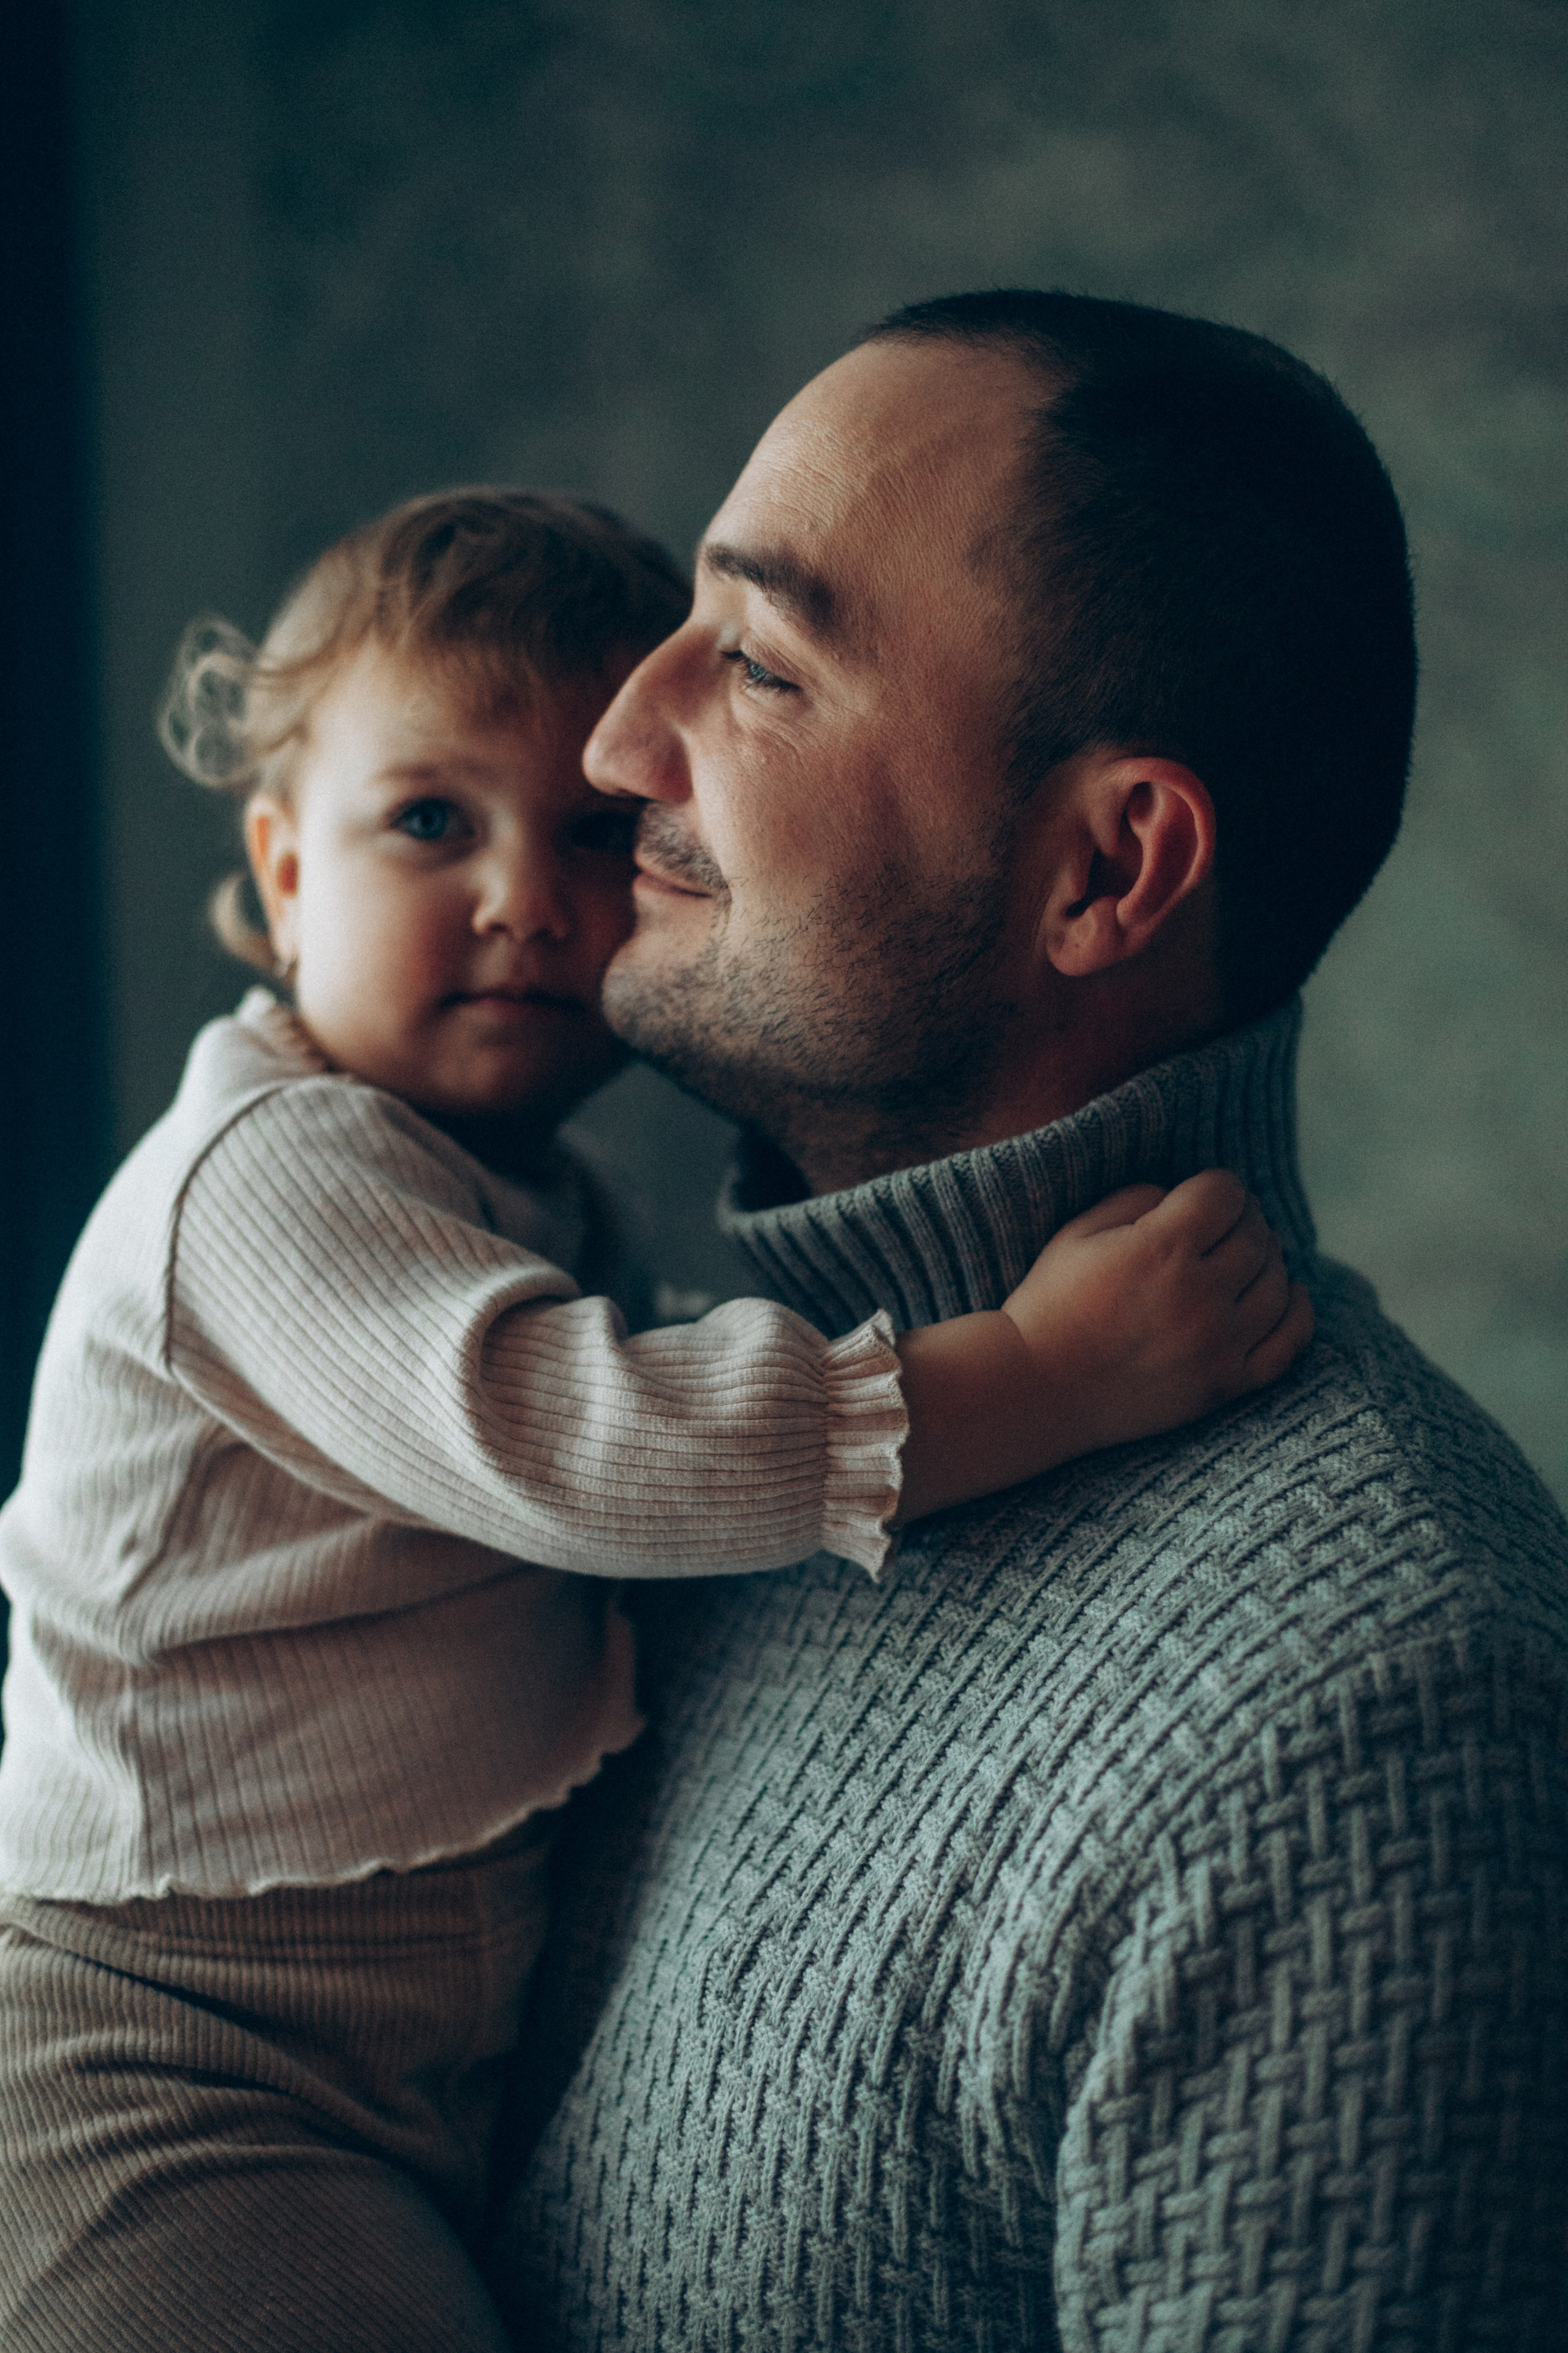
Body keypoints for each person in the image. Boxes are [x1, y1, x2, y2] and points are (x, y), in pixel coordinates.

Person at [0, 486, 1310, 2353]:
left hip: (392, 2070)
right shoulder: (260, 1180)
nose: (526, 896)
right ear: (288, 871)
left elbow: (664, 1378)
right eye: (431, 821)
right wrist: (1041, 1371)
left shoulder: (527, 1192)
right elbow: (598, 1443)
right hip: (166, 2049)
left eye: (595, 832)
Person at [500, 295, 1568, 2349]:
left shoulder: (1366, 1733)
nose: (616, 743)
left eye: (758, 660)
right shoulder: (659, 1452)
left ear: (1107, 869)